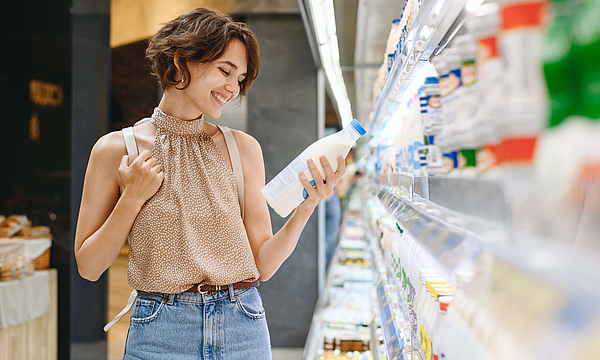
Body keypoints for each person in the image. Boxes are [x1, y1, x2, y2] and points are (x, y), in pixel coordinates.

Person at [73, 8, 345, 360]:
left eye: (241, 78)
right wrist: (132, 199)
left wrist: (306, 205)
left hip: (242, 326)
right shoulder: (116, 150)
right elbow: (89, 267)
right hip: (160, 332)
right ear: (180, 60)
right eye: (224, 71)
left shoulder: (243, 149)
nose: (233, 88)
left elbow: (263, 264)